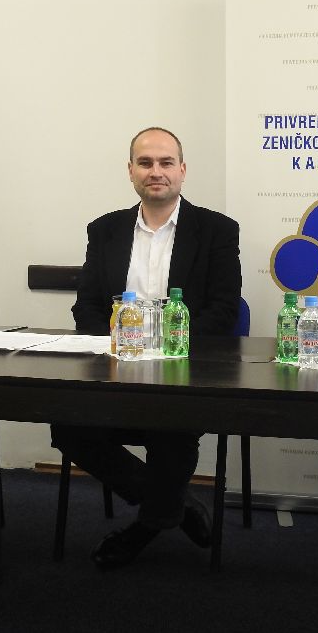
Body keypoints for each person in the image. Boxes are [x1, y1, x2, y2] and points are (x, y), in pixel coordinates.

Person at [50, 127, 241, 569]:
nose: (156, 171)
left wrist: (165, 346)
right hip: (117, 369)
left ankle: (146, 526)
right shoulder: (105, 230)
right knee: (67, 426)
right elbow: (87, 307)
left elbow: (223, 311)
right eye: (145, 162)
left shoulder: (216, 230)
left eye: (166, 162)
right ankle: (176, 505)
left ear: (182, 170)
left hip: (183, 371)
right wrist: (119, 346)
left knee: (172, 426)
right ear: (131, 171)